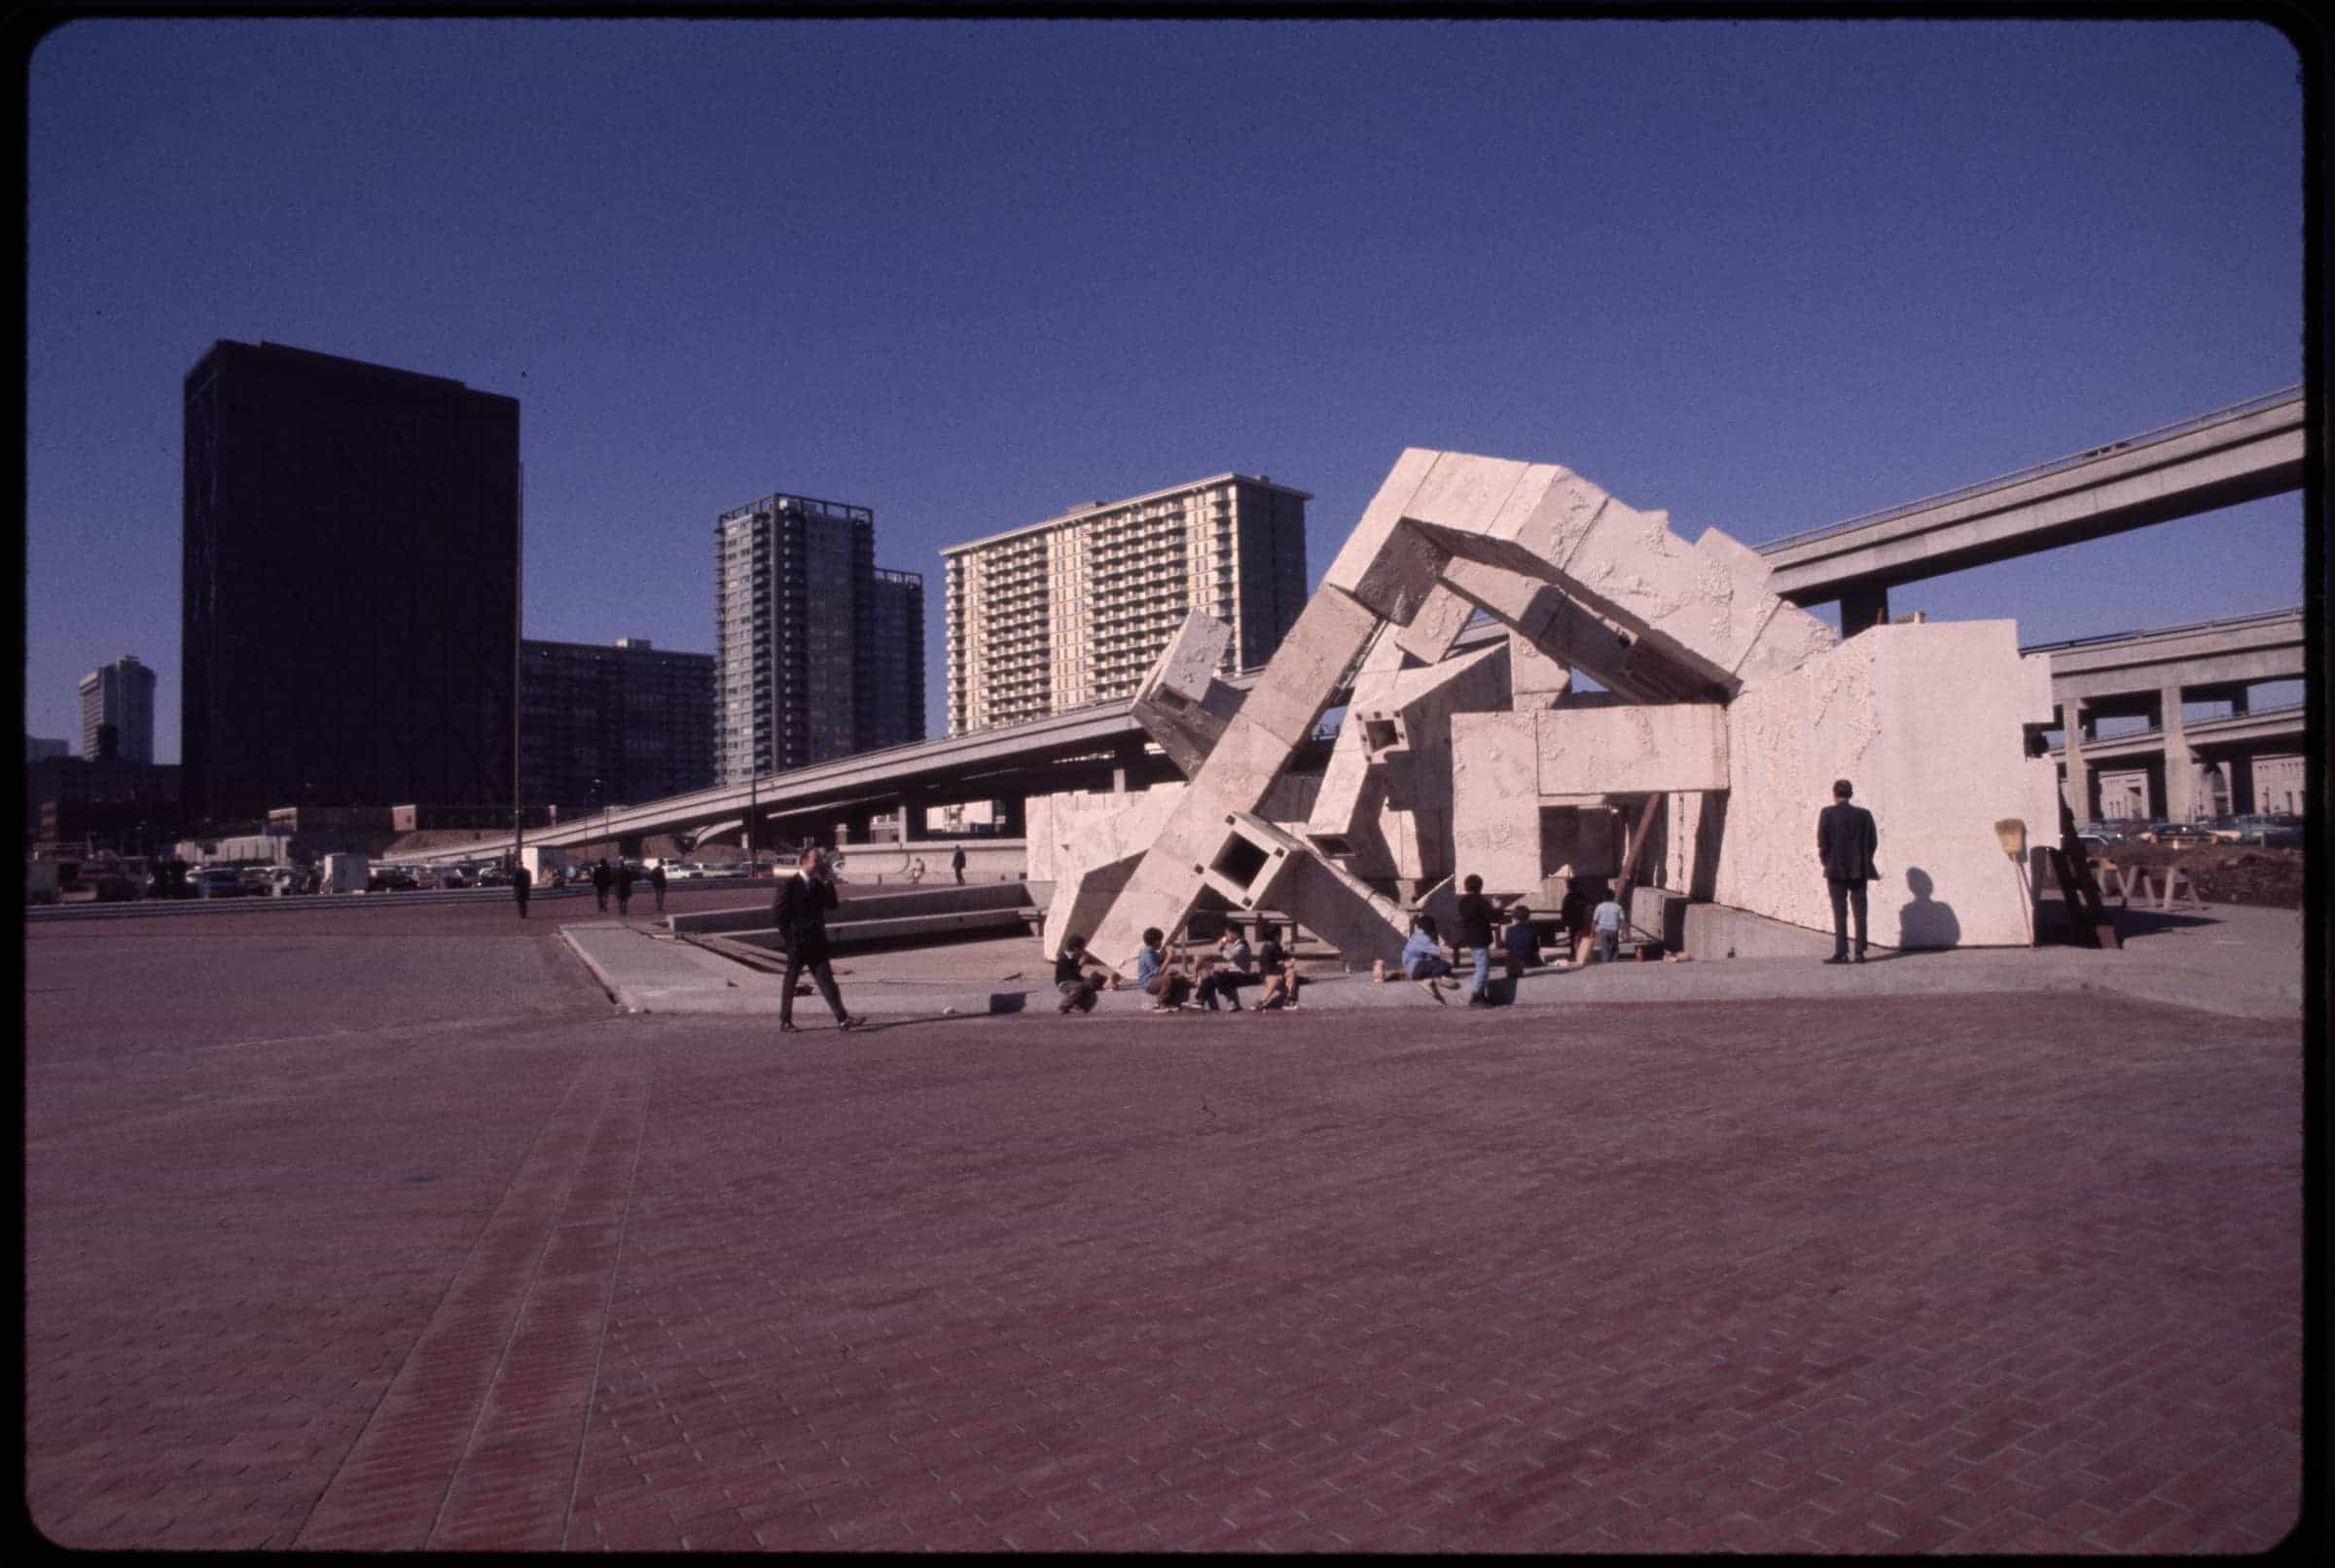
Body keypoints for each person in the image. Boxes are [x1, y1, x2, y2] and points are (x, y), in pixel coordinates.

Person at [773, 847, 863, 1033]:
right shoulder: (789, 885)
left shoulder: (817, 884)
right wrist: (789, 939)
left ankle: (842, 1019)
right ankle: (785, 1020)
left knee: (827, 981)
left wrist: (828, 880)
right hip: (797, 942)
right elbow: (778, 915)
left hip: (816, 942)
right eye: (816, 861)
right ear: (804, 862)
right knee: (791, 981)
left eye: (820, 861)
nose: (819, 864)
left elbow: (832, 905)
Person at [1817, 776, 1880, 964]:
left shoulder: (1827, 813)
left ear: (1835, 794)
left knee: (1840, 910)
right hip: (1858, 869)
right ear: (1850, 794)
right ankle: (1860, 951)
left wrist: (1827, 861)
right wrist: (1863, 859)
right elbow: (1872, 842)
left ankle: (1842, 952)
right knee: (1860, 911)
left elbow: (1823, 842)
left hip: (1836, 868)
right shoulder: (1864, 815)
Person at [1455, 873, 1497, 1007]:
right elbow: (1493, 917)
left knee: (1480, 965)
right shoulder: (1481, 900)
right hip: (1480, 937)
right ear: (1480, 886)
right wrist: (1498, 907)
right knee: (1482, 967)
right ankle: (1477, 996)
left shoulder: (1463, 902)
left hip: (1470, 937)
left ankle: (1481, 994)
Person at [1197, 927, 1259, 1012]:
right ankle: (1200, 1001)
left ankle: (1231, 1002)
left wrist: (1221, 948)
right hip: (1235, 973)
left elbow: (1230, 957)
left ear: (1235, 934)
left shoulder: (1242, 945)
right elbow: (1235, 963)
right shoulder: (1237, 944)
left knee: (1218, 976)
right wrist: (1226, 969)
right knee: (1210, 979)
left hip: (1242, 975)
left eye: (1227, 934)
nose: (1226, 937)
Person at [1135, 926, 1193, 1011]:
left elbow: (1161, 965)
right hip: (1148, 983)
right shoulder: (1147, 955)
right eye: (1160, 941)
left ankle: (1175, 1002)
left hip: (1154, 980)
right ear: (1156, 942)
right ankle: (1160, 1004)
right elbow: (1159, 972)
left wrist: (1169, 958)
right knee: (1167, 980)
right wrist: (1169, 958)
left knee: (1177, 977)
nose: (1161, 943)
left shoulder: (1153, 953)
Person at [1401, 914, 1454, 1003]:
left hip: (1412, 968)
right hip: (1416, 967)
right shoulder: (1424, 939)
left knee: (1439, 964)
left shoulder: (1416, 935)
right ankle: (1430, 980)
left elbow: (1435, 957)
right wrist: (1448, 945)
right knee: (1445, 965)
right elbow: (1442, 953)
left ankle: (1435, 977)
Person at [1250, 922, 1303, 1011]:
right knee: (1276, 978)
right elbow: (1268, 968)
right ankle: (1261, 1001)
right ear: (1276, 936)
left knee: (1292, 971)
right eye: (1280, 935)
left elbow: (1281, 958)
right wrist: (1283, 965)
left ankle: (1289, 999)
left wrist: (1287, 954)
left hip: (1277, 972)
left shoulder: (1275, 946)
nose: (1281, 937)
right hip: (1268, 975)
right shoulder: (1266, 949)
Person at [1055, 933, 1109, 1014]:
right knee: (1079, 987)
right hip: (1064, 983)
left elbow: (1076, 975)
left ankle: (1080, 1007)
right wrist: (1080, 965)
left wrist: (1090, 979)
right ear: (1076, 949)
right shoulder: (1064, 959)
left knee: (1092, 995)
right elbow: (1069, 976)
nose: (1083, 950)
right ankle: (1063, 1006)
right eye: (1081, 948)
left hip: (1074, 982)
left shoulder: (1074, 957)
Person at [1501, 904, 1541, 981]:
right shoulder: (1532, 929)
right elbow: (1536, 946)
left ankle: (1514, 969)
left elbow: (1507, 945)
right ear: (1528, 917)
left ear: (1514, 917)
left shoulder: (1509, 930)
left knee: (1511, 953)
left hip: (1514, 957)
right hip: (1529, 956)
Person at [1559, 877, 1591, 966]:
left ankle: (1574, 953)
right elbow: (1586, 907)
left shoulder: (1568, 897)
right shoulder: (1581, 896)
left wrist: (1564, 920)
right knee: (1579, 937)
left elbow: (1564, 910)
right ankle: (1580, 953)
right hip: (1580, 919)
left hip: (1572, 921)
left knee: (1573, 938)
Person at [1592, 888, 1625, 963]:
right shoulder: (1618, 907)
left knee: (1604, 948)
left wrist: (1592, 932)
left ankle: (1606, 963)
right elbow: (1622, 920)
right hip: (1614, 930)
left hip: (1602, 930)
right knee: (1615, 948)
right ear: (1613, 897)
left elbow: (1594, 921)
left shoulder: (1599, 906)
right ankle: (1615, 962)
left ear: (1604, 897)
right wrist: (1622, 932)